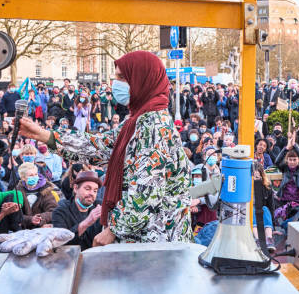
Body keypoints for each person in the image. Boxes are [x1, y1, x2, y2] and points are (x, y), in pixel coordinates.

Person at [20, 50, 192, 244]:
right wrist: (44, 135)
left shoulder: (155, 127)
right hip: (144, 243)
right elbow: (100, 147)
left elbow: (145, 195)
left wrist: (112, 231)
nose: (115, 83)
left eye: (121, 77)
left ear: (141, 80)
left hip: (156, 246)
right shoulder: (137, 120)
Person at [51, 170, 103, 250]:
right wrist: (87, 222)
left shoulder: (99, 206)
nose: (92, 193)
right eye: (87, 189)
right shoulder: (60, 211)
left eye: (95, 191)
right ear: (75, 188)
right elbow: (60, 242)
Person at [15, 162, 62, 228]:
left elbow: (53, 211)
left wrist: (40, 218)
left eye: (36, 174)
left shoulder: (46, 190)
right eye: (31, 175)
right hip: (23, 228)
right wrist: (30, 219)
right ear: (23, 178)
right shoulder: (17, 192)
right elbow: (15, 214)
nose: (34, 177)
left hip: (43, 227)